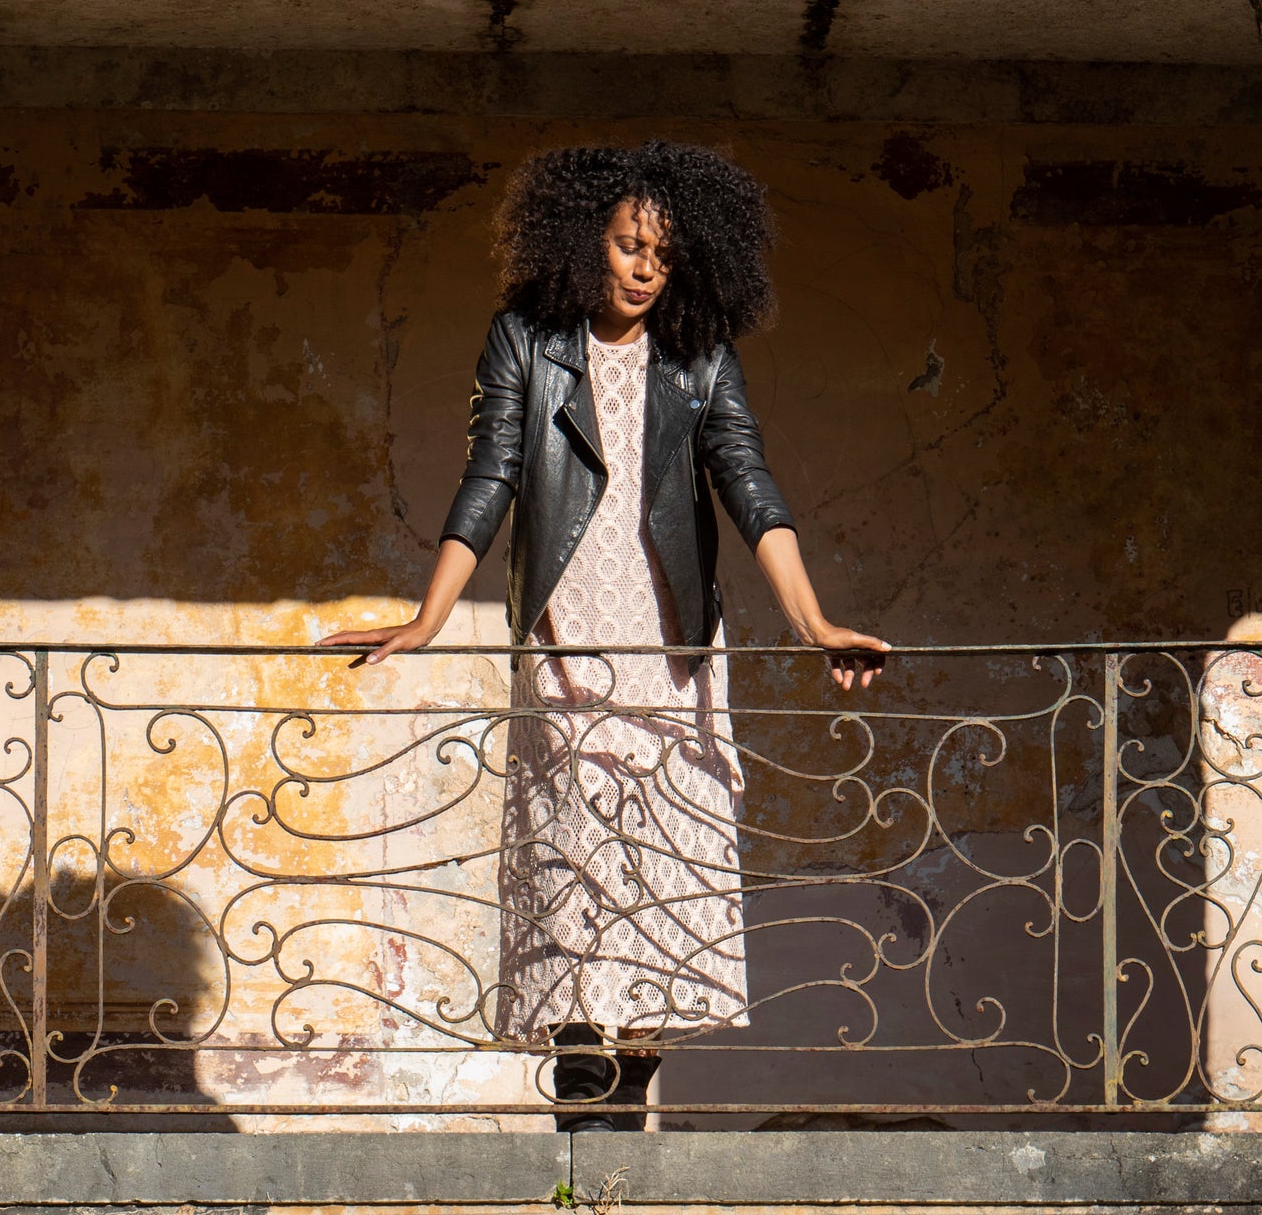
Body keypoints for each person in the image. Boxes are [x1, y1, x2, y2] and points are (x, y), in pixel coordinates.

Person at [324, 141, 887, 1130]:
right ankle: (582, 1108)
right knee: (575, 859)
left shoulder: (699, 353)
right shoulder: (525, 339)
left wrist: (811, 621)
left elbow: (747, 481)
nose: (643, 269)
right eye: (629, 246)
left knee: (661, 866)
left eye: (662, 256)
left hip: (671, 642)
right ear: (586, 236)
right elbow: (493, 470)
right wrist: (429, 615)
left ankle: (624, 1104)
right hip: (567, 631)